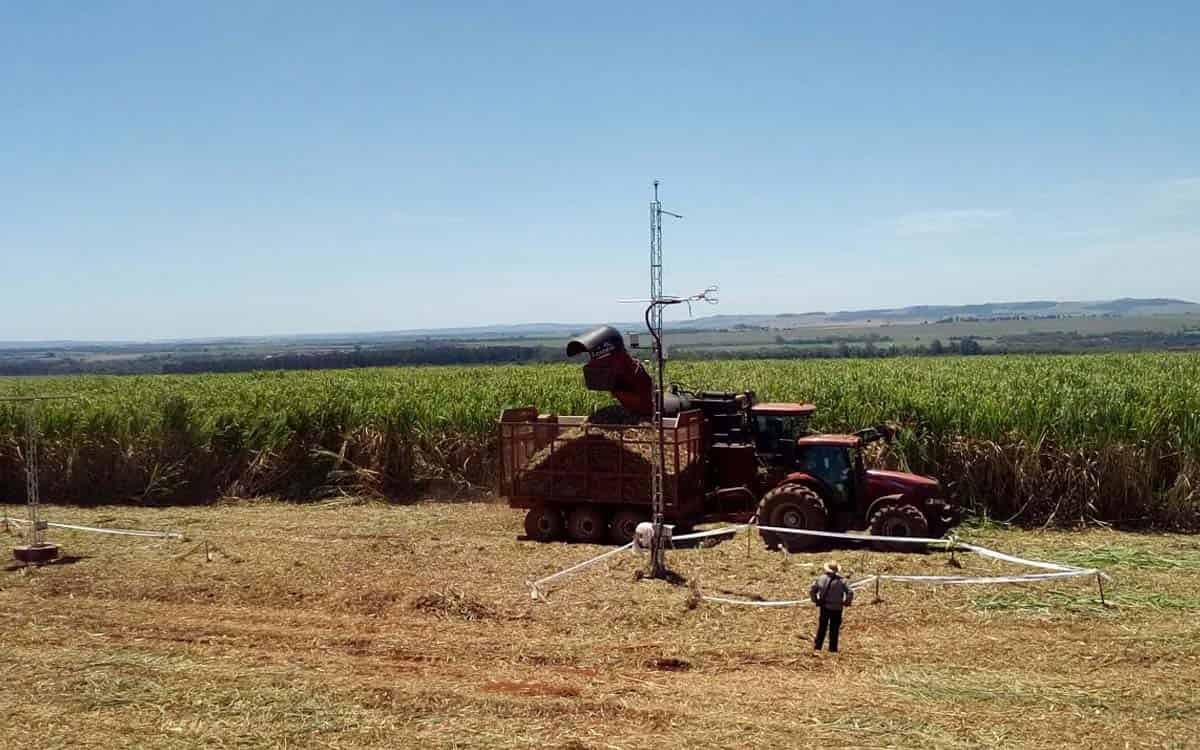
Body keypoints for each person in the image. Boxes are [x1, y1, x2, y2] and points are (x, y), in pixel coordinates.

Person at [809, 561, 853, 654]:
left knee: (822, 627)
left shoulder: (820, 579)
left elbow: (812, 590)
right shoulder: (842, 581)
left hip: (824, 606)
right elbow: (850, 592)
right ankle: (832, 649)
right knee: (834, 628)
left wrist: (816, 600)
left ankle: (818, 647)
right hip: (837, 607)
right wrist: (847, 602)